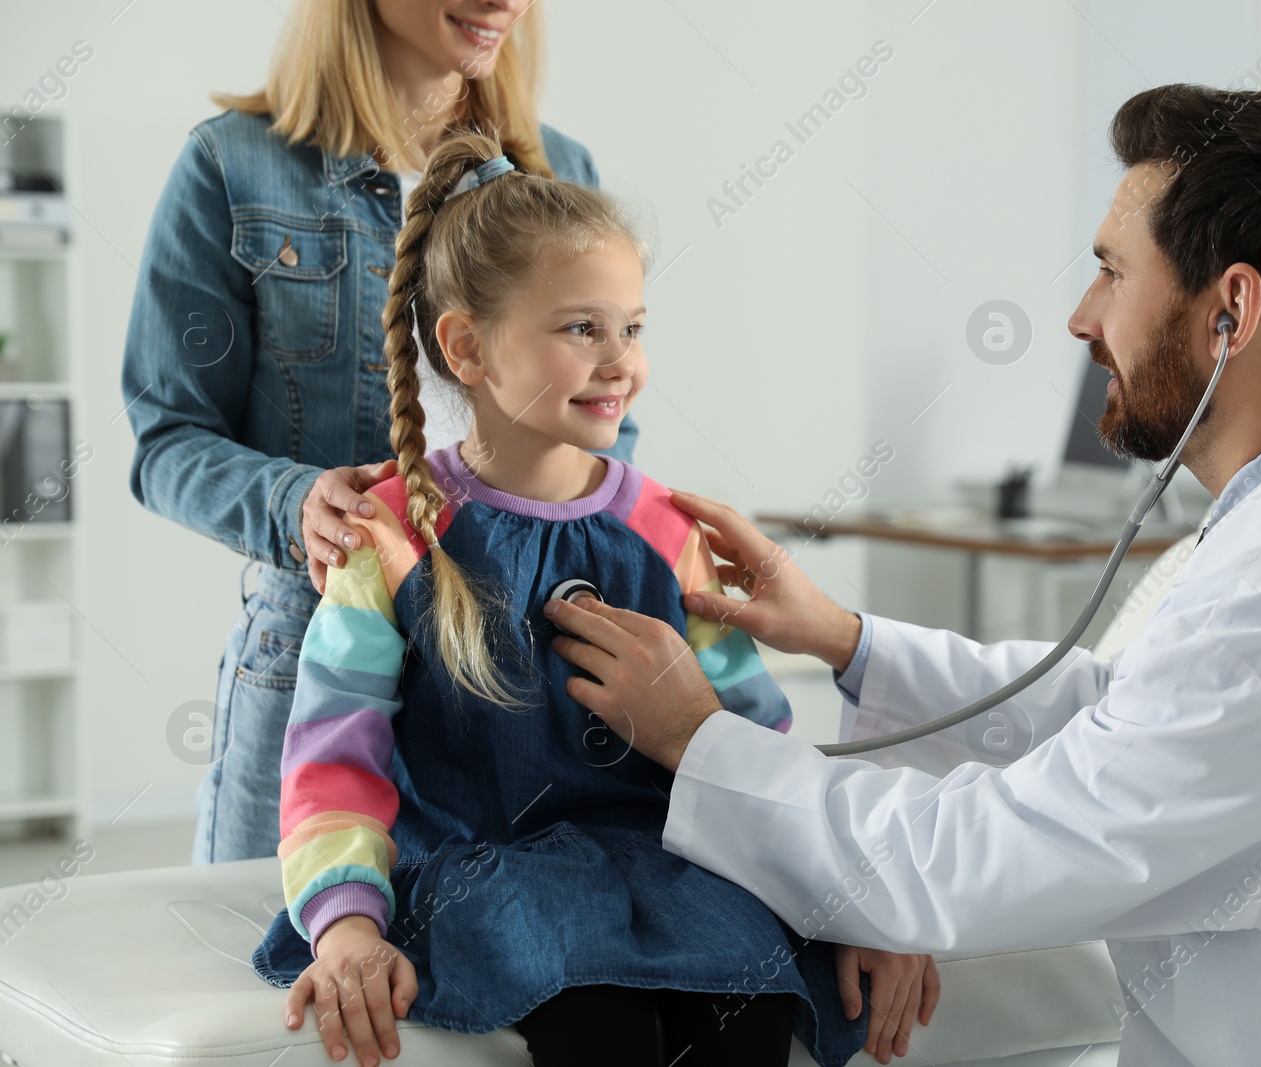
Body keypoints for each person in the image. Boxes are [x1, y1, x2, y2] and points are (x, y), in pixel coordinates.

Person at [547, 84, 1261, 1065]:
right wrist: (845, 637)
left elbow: (960, 863)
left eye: (1111, 270)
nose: (1081, 317)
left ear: (1229, 312)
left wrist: (694, 735)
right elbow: (1131, 715)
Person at [249, 126, 939, 1067]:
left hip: (669, 864)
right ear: (468, 348)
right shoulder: (393, 537)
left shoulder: (670, 532)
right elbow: (333, 760)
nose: (621, 360)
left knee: (748, 1006)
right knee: (595, 1014)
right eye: (583, 328)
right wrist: (345, 928)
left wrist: (854, 894)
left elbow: (754, 741)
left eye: (633, 327)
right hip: (486, 871)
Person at [119, 0, 638, 866]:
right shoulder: (230, 165)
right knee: (274, 969)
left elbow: (604, 429)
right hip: (312, 645)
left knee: (477, 977)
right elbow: (168, 437)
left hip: (509, 656)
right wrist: (298, 503)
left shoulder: (557, 170)